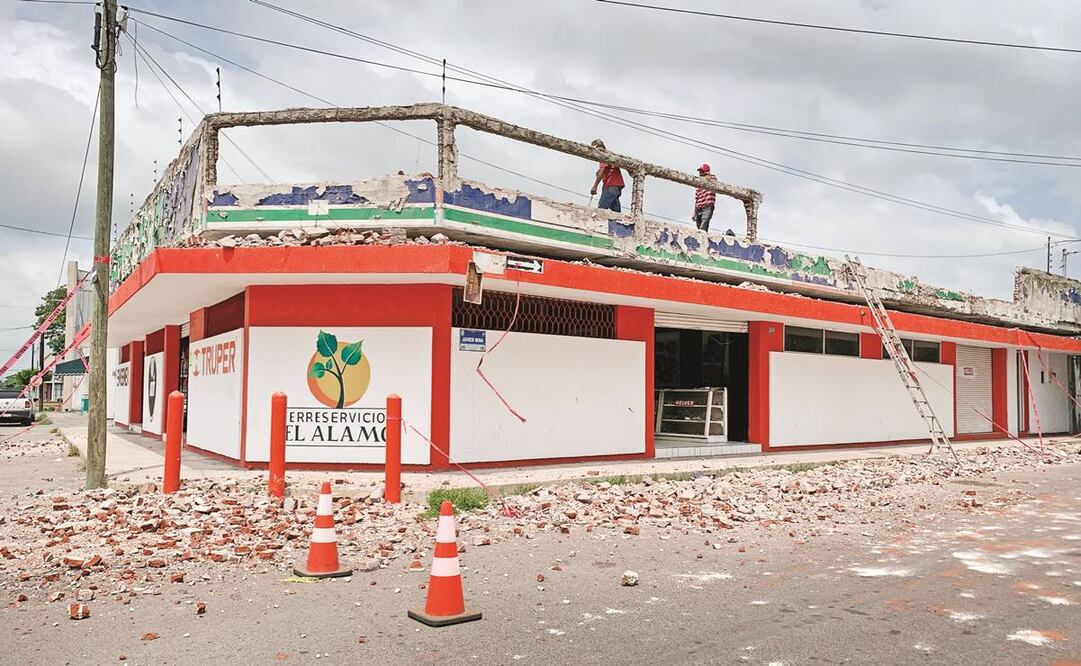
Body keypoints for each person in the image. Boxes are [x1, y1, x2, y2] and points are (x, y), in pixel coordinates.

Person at [589, 139, 625, 212]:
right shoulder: (611, 154)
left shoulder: (603, 155)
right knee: (617, 214)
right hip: (616, 188)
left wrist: (595, 186)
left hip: (610, 186)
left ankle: (598, 223)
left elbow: (602, 171)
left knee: (601, 210)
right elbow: (606, 170)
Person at [692, 163, 717, 231]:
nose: (700, 172)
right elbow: (696, 199)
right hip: (699, 208)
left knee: (703, 227)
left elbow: (713, 178)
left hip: (707, 207)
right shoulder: (698, 185)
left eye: (701, 171)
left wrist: (706, 176)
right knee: (699, 228)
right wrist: (694, 212)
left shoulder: (711, 179)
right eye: (700, 171)